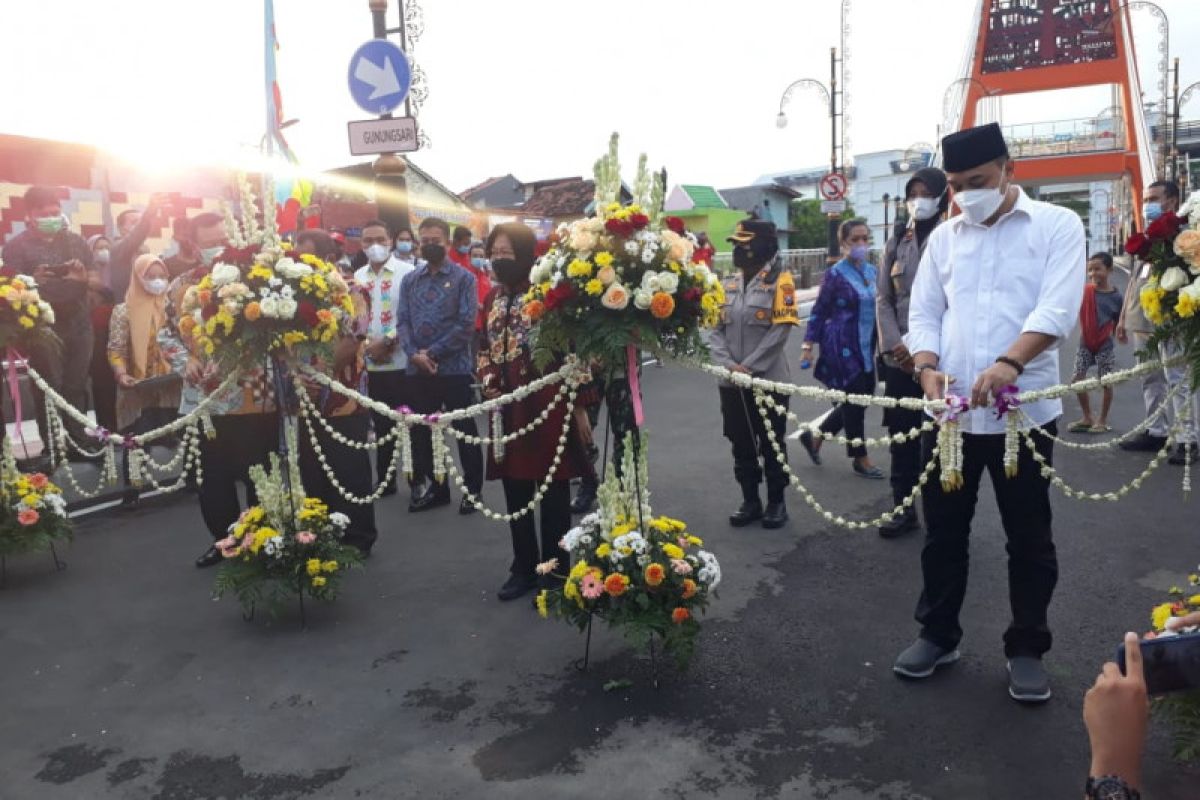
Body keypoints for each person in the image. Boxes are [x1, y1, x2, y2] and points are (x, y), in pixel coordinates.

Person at [895, 122, 1086, 704]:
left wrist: (1010, 362)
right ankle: (938, 633)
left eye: (976, 181)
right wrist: (925, 366)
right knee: (942, 534)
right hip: (950, 417)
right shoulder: (945, 238)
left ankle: (1027, 647)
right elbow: (924, 312)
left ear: (1010, 169)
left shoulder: (1056, 226)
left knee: (1028, 536)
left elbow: (1057, 307)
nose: (963, 195)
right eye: (954, 185)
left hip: (1021, 417)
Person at [478, 223, 591, 600]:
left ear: (526, 254)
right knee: (515, 491)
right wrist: (489, 377)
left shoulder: (549, 295)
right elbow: (483, 345)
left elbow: (576, 351)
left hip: (548, 406)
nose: (499, 259)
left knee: (553, 489)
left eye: (507, 253)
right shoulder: (492, 297)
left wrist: (580, 407)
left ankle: (555, 571)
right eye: (494, 252)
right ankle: (523, 567)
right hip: (507, 409)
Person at [162, 226, 280, 569]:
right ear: (193, 243)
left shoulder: (258, 280)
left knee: (260, 473)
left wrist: (229, 363)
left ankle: (264, 539)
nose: (216, 247)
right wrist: (189, 361)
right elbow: (165, 333)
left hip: (252, 396)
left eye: (221, 240)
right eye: (209, 240)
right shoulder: (181, 285)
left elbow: (267, 335)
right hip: (203, 399)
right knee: (211, 478)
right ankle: (224, 540)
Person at [707, 219, 799, 529]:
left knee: (772, 442)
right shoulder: (726, 284)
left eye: (744, 243)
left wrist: (750, 367)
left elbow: (780, 331)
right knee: (740, 441)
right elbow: (712, 329)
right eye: (735, 244)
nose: (738, 249)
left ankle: (776, 501)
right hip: (731, 381)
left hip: (768, 379)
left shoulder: (781, 282)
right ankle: (750, 500)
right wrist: (729, 366)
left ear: (762, 246)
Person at [875, 167, 949, 537]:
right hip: (900, 358)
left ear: (941, 196)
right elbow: (883, 299)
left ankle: (942, 513)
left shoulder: (952, 235)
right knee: (901, 438)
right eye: (913, 192)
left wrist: (924, 352)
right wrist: (896, 345)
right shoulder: (897, 241)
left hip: (940, 359)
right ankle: (903, 508)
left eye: (926, 192)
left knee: (939, 437)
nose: (918, 200)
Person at [295, 232, 378, 555]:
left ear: (327, 258)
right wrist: (299, 378)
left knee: (349, 470)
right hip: (304, 395)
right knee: (312, 471)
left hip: (343, 397)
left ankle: (358, 538)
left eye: (308, 258)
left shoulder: (353, 291)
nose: (301, 264)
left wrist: (320, 374)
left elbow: (352, 339)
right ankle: (322, 534)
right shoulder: (295, 296)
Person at [397, 216, 484, 515]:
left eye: (436, 240)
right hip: (417, 369)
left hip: (454, 367)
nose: (430, 245)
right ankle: (438, 488)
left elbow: (466, 324)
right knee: (424, 433)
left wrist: (431, 353)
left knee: (464, 430)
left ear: (446, 242)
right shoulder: (410, 280)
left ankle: (473, 490)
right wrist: (414, 355)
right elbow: (403, 321)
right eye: (425, 241)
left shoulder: (465, 279)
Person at [1, 186, 97, 453]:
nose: (52, 218)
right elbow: (10, 292)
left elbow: (97, 280)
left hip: (79, 323)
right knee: (48, 387)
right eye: (44, 214)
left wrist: (84, 279)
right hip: (42, 329)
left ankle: (79, 439)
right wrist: (33, 283)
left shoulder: (75, 241)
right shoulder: (15, 247)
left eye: (56, 212)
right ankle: (54, 446)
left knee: (76, 385)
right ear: (29, 215)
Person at [798, 218, 884, 479]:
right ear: (843, 243)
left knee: (861, 396)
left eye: (864, 238)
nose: (860, 244)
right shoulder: (835, 274)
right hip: (841, 345)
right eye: (854, 240)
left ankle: (814, 436)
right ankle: (861, 458)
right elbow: (819, 311)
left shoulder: (872, 272)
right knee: (854, 399)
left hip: (866, 345)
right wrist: (807, 346)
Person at [1117, 181, 1184, 456]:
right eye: (1145, 199)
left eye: (1154, 199)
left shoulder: (1183, 238)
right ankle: (1156, 430)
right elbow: (1133, 281)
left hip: (1169, 322)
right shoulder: (1145, 239)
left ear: (1172, 201)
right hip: (1140, 321)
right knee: (1149, 377)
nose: (1147, 206)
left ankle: (1186, 438)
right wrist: (1123, 318)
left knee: (1176, 378)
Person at [353, 220, 417, 498]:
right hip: (370, 364)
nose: (374, 245)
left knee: (411, 425)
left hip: (403, 362)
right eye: (368, 241)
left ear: (390, 240)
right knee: (381, 426)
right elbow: (355, 318)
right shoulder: (357, 276)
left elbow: (413, 316)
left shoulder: (409, 273)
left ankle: (418, 481)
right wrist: (368, 345)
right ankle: (386, 479)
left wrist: (389, 340)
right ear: (361, 245)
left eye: (380, 238)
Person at [107, 254, 181, 434]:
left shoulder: (173, 307)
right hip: (138, 389)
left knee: (178, 444)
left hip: (171, 388)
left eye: (162, 277)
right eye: (151, 276)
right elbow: (116, 348)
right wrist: (121, 373)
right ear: (138, 277)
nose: (158, 281)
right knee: (138, 445)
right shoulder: (124, 311)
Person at [1068, 252, 1121, 434]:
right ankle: (1087, 416)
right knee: (1077, 380)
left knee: (1106, 381)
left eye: (1097, 269)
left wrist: (1120, 333)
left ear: (1109, 269)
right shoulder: (1085, 292)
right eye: (1089, 270)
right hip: (1086, 342)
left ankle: (1102, 420)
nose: (1093, 274)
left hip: (1105, 343)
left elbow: (1119, 321)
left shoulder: (1116, 297)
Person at [86, 234, 119, 434]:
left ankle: (122, 425)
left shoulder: (116, 273)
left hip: (115, 335)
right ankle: (106, 429)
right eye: (99, 247)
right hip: (95, 339)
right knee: (102, 385)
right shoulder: (84, 275)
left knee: (117, 384)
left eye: (107, 246)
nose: (104, 251)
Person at [163, 212, 227, 282]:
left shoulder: (240, 269)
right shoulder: (185, 282)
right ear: (194, 245)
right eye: (210, 244)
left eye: (224, 242)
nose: (219, 248)